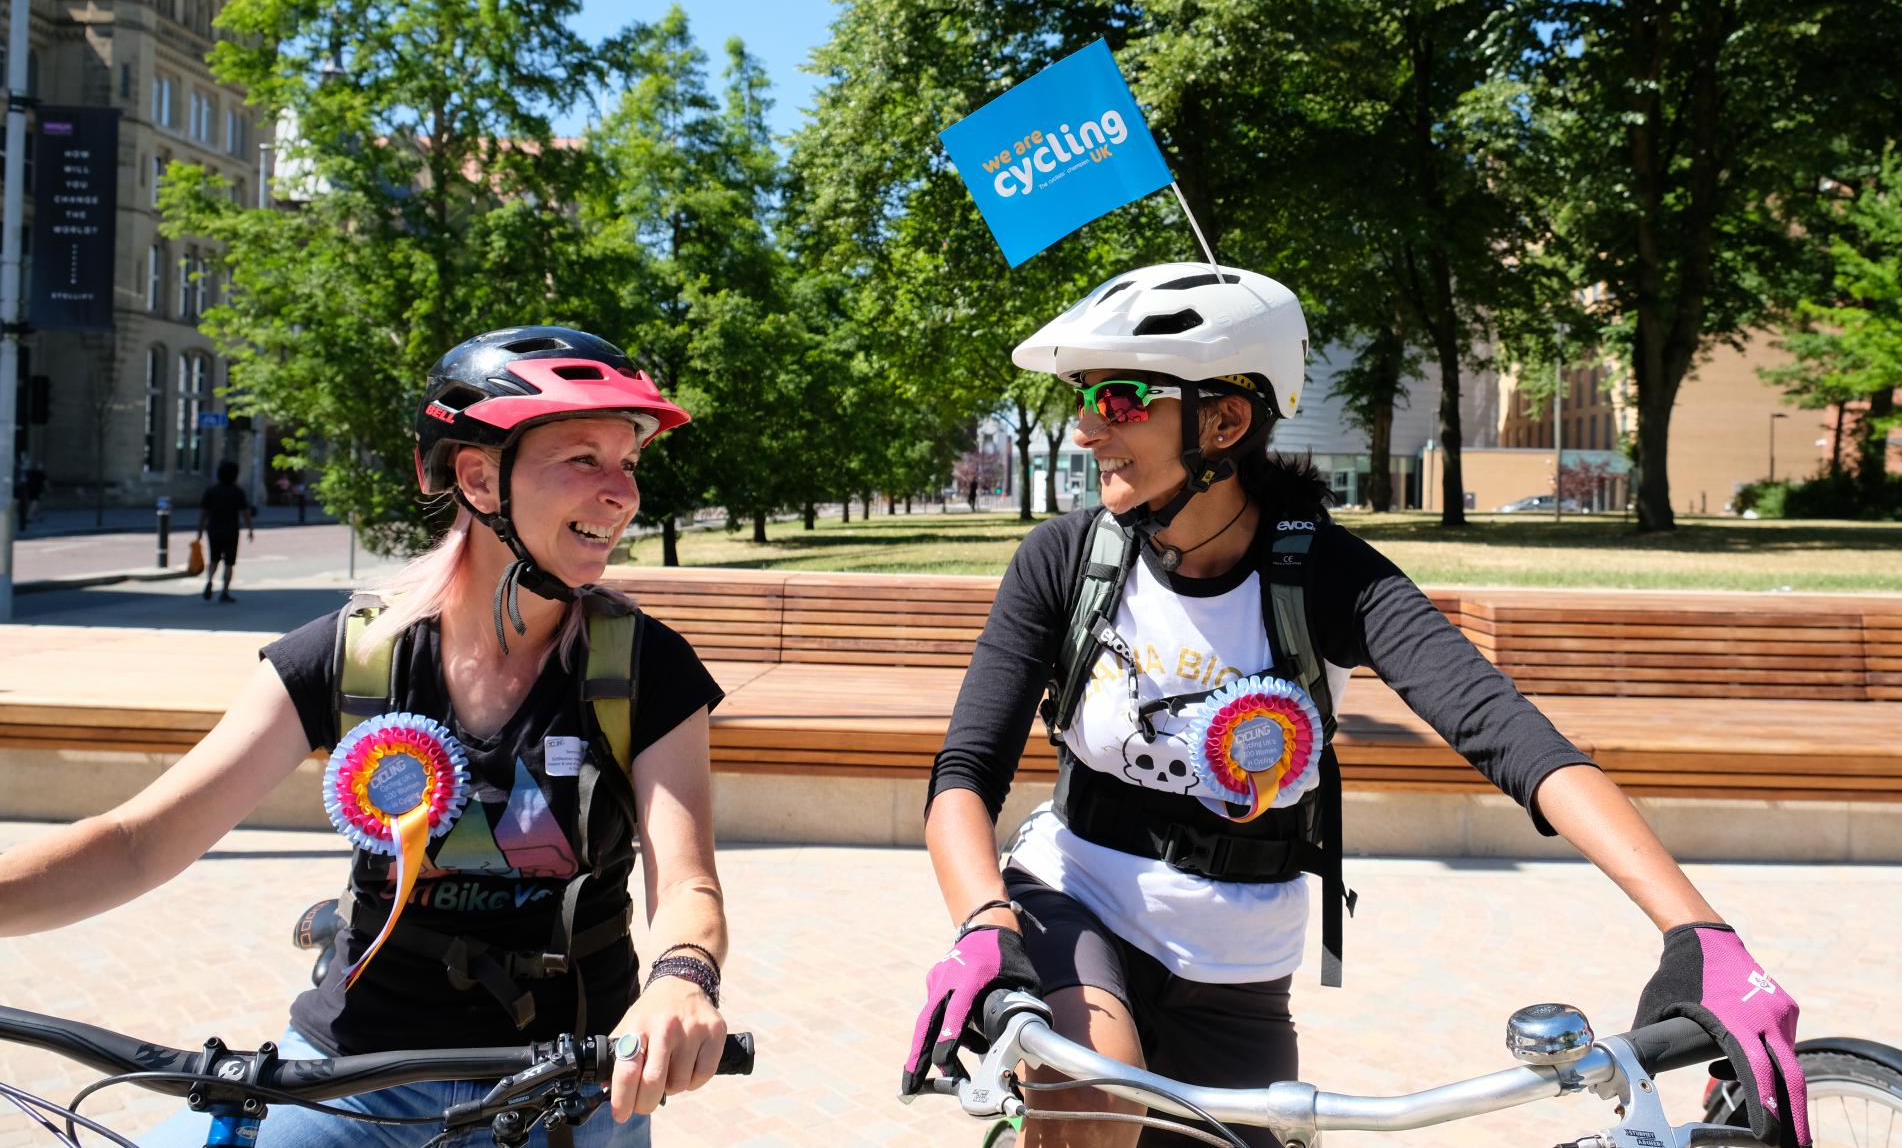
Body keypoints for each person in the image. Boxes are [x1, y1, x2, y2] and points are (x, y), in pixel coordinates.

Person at [904, 264, 1810, 1148]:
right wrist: (985, 921)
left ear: (1224, 420)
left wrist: (1701, 929)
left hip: (1237, 961)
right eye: (1086, 401)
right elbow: (964, 773)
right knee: (1099, 1098)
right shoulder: (1065, 559)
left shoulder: (1325, 572)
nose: (1087, 430)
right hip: (1075, 898)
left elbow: (1507, 732)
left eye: (1120, 400)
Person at [0, 326, 732, 1146]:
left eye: (626, 464)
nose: (622, 493)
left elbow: (688, 887)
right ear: (479, 477)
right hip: (352, 1079)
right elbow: (138, 842)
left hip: (568, 1087)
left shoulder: (644, 668)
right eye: (583, 459)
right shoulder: (350, 656)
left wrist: (681, 978)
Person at [196, 460, 255, 602]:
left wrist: (199, 531)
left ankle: (209, 581)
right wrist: (250, 529)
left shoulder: (211, 491)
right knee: (229, 562)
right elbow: (245, 513)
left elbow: (203, 513)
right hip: (231, 530)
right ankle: (224, 591)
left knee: (214, 558)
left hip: (213, 529)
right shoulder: (238, 492)